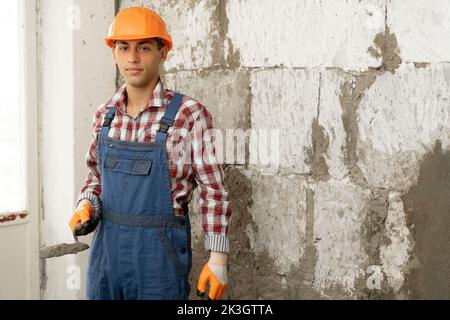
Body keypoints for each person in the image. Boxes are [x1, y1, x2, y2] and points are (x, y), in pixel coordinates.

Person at [68, 6, 232, 300]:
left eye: (144, 47)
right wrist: (86, 205)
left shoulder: (188, 115)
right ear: (113, 52)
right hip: (107, 258)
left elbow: (213, 190)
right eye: (124, 47)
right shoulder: (104, 115)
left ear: (162, 52)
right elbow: (96, 178)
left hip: (159, 260)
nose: (132, 57)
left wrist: (218, 258)